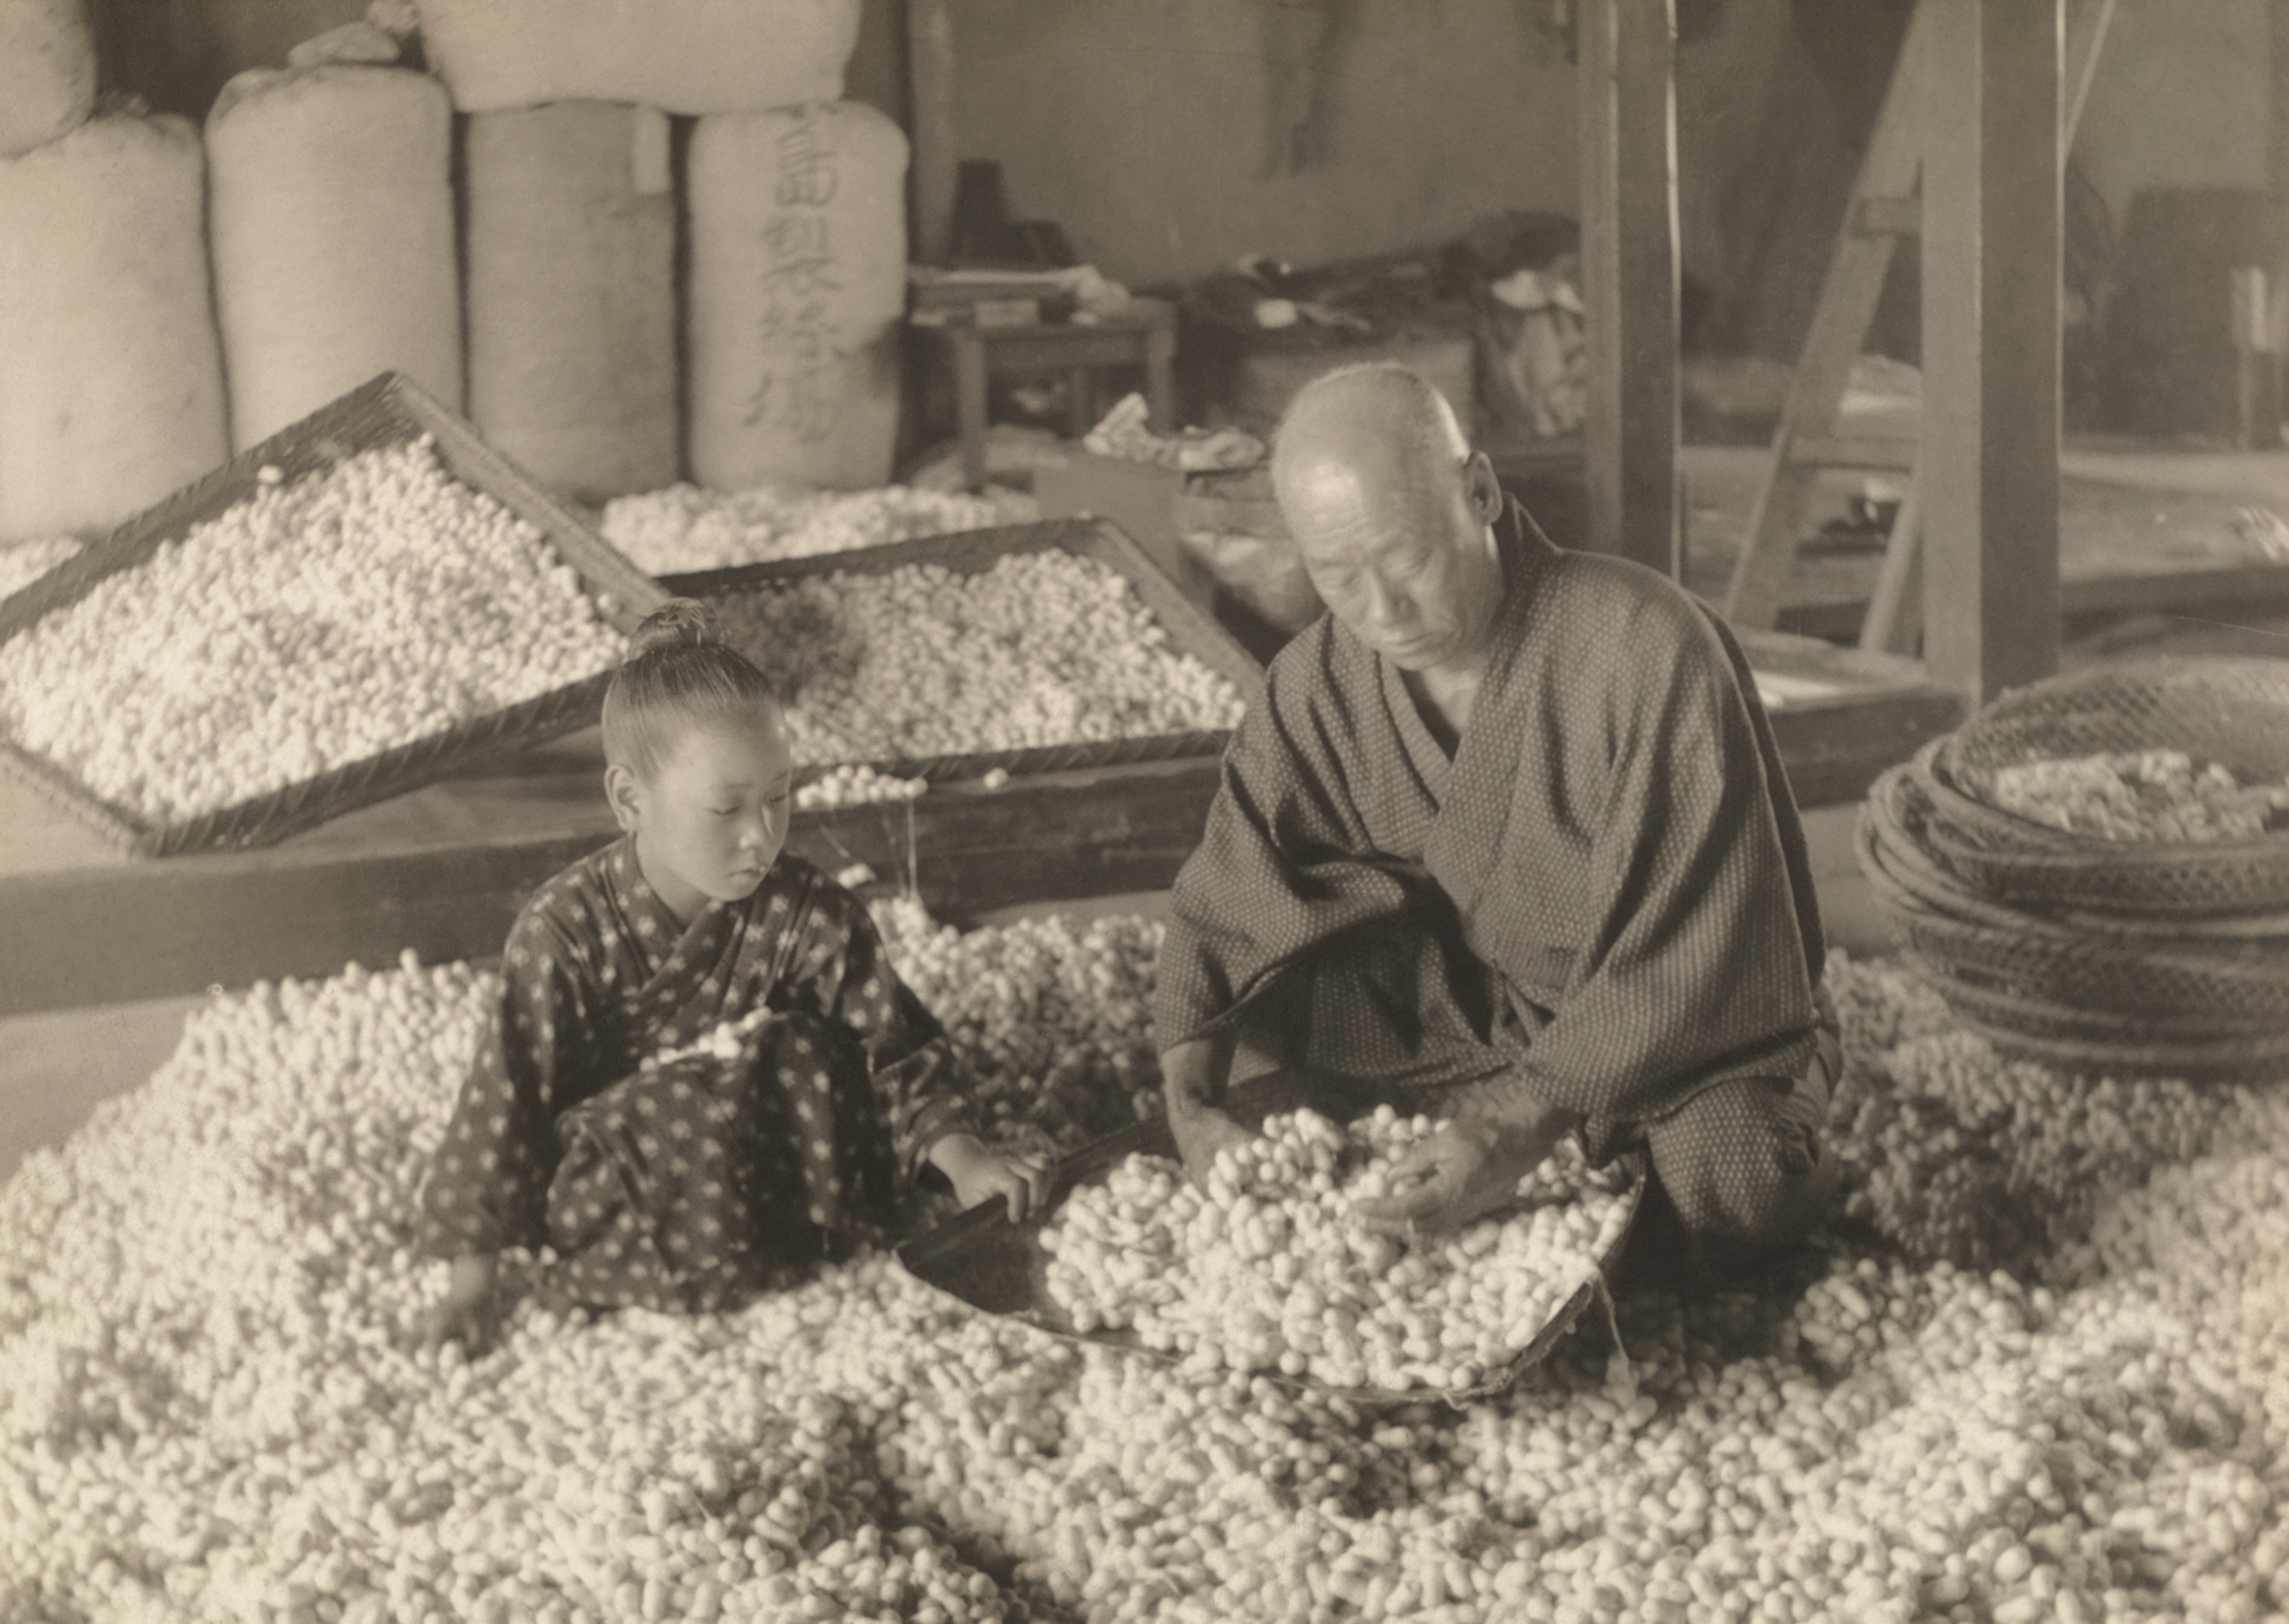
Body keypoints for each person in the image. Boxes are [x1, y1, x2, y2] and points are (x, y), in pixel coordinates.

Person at [1156, 363, 1840, 1278]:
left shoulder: (1641, 644)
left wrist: (1513, 1126)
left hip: (1673, 1027)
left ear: (1478, 490)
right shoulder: (1318, 681)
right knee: (1266, 1068)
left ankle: (1691, 1163)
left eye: (1406, 560)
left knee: (1734, 1174)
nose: (1381, 610)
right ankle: (1535, 1164)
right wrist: (1189, 1103)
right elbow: (1232, 902)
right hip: (1469, 1022)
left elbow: (1701, 945)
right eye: (1337, 576)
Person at [419, 600, 1048, 1349]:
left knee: (806, 1055)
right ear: (629, 799)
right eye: (726, 808)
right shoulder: (562, 931)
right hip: (635, 1182)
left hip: (791, 1164)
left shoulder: (805, 907)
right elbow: (507, 1098)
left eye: (780, 798)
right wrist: (472, 1284)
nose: (761, 835)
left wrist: (964, 1159)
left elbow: (889, 1045)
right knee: (681, 1112)